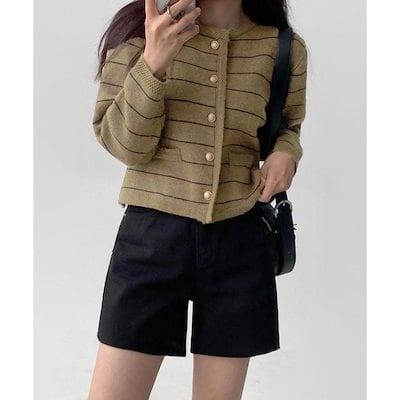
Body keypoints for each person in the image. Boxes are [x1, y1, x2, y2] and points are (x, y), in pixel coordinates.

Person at [88, 0, 308, 398]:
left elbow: (288, 126)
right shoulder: (142, 34)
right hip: (150, 240)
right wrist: (154, 60)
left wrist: (286, 153)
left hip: (239, 240)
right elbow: (126, 147)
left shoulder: (282, 47)